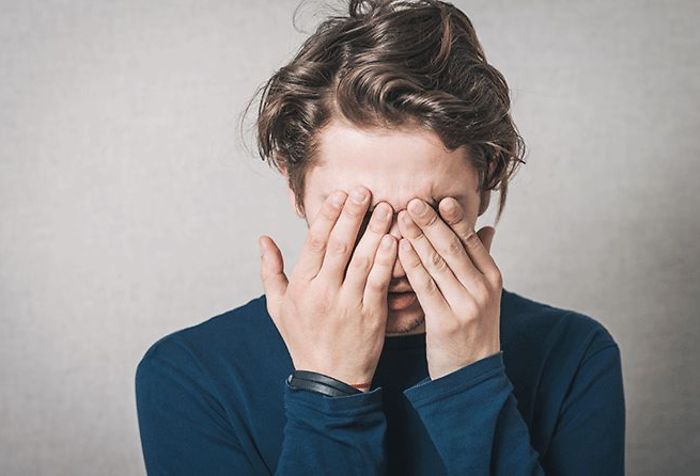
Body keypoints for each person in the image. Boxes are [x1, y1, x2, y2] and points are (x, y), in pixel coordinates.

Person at [135, 0, 625, 474]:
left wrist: (471, 382)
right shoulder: (190, 374)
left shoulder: (574, 354)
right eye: (361, 214)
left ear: (486, 182)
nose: (394, 257)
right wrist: (330, 392)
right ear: (294, 188)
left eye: (430, 214)